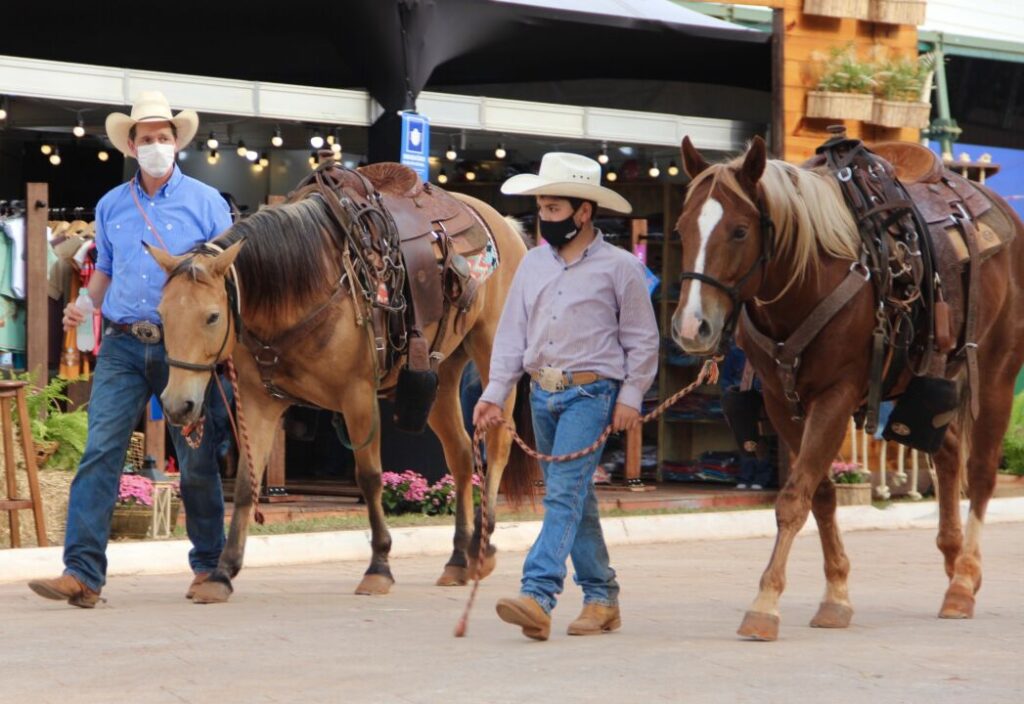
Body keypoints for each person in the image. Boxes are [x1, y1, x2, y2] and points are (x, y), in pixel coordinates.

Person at [28, 91, 232, 608]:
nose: (156, 145)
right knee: (100, 452)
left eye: (164, 137)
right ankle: (82, 574)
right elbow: (107, 272)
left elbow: (225, 280)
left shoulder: (208, 202)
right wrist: (83, 305)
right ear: (132, 145)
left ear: (177, 143)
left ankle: (210, 568)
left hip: (182, 348)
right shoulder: (112, 204)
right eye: (147, 138)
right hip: (121, 341)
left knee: (196, 459)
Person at [473, 152, 659, 640]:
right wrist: (496, 393)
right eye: (542, 208)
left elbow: (643, 339)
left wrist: (631, 397)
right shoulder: (532, 265)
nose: (545, 218)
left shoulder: (621, 269)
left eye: (554, 208)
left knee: (560, 495)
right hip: (541, 395)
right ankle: (602, 597)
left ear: (583, 212)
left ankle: (538, 594)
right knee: (577, 497)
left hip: (591, 394)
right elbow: (512, 334)